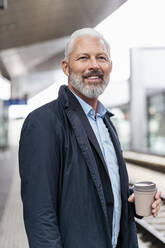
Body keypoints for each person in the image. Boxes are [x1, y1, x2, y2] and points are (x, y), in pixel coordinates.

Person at [19, 28, 161, 248]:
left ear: (110, 66)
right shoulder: (43, 123)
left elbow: (100, 194)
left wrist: (133, 201)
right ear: (66, 67)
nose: (94, 65)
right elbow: (40, 214)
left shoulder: (106, 122)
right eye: (83, 57)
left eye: (101, 58)